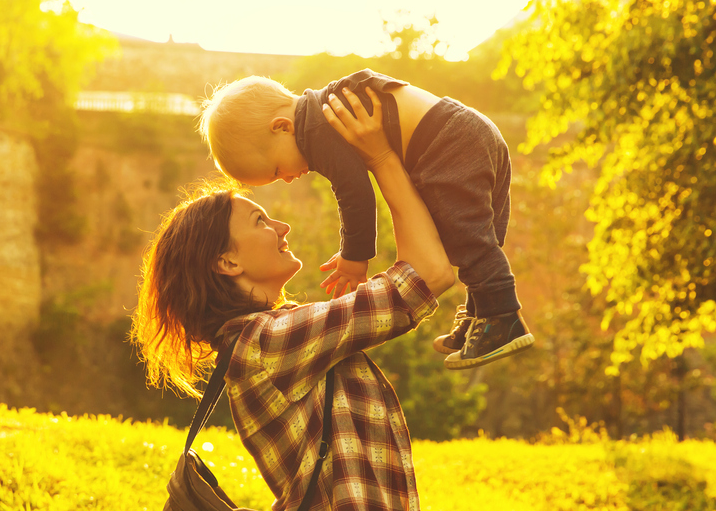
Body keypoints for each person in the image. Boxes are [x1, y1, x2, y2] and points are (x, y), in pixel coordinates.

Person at [133, 90, 454, 511]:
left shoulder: (287, 337)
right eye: (258, 220)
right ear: (227, 264)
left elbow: (422, 267)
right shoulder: (269, 344)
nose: (279, 223)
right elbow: (429, 275)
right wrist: (380, 156)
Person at [198, 69, 534, 369]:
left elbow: (355, 193)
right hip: (471, 130)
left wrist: (355, 259)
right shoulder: (325, 108)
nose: (287, 178)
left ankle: (501, 316)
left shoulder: (319, 130)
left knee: (469, 241)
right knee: (468, 239)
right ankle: (480, 313)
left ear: (283, 128)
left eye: (276, 171)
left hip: (448, 142)